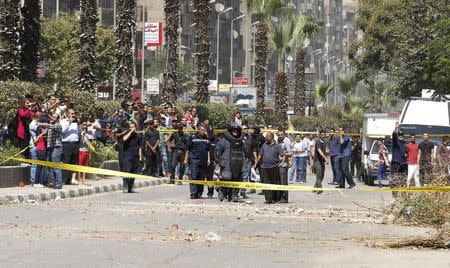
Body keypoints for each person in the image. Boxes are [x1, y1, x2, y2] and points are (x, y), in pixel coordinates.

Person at [253, 132, 286, 204]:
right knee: (265, 183)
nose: (266, 138)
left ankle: (274, 199)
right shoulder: (264, 145)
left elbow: (283, 155)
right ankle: (268, 199)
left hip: (274, 167)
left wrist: (282, 163)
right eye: (266, 136)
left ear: (272, 137)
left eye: (268, 136)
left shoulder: (277, 146)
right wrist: (255, 164)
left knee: (273, 183)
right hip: (264, 167)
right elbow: (260, 156)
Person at [216, 123, 245, 202]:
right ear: (230, 131)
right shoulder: (224, 141)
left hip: (238, 164)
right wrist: (218, 159)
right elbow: (217, 150)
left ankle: (234, 195)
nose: (235, 132)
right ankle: (222, 193)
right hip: (227, 164)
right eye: (233, 130)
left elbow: (244, 152)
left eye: (237, 130)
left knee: (237, 180)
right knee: (226, 179)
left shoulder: (241, 142)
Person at [184, 126, 210, 199]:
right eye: (202, 130)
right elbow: (187, 148)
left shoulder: (206, 138)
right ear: (198, 130)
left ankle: (199, 193)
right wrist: (186, 158)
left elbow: (208, 150)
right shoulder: (192, 137)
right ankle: (193, 193)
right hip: (194, 160)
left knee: (201, 178)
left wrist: (208, 159)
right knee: (194, 176)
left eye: (204, 130)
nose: (204, 131)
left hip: (203, 161)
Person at [60, 109, 81, 185]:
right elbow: (63, 131)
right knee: (66, 161)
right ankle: (64, 180)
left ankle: (70, 179)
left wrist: (78, 124)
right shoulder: (63, 121)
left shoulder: (76, 123)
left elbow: (79, 132)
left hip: (75, 143)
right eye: (72, 113)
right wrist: (69, 122)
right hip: (67, 144)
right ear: (67, 114)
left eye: (74, 113)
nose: (73, 115)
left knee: (73, 161)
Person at [44, 113, 63, 189]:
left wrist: (41, 124)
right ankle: (53, 182)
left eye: (54, 117)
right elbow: (45, 132)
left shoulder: (58, 125)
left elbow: (52, 127)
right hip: (50, 147)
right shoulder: (50, 125)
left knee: (56, 166)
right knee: (50, 166)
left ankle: (58, 184)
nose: (52, 118)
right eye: (52, 116)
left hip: (56, 147)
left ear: (57, 119)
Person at [122, 121, 142, 193]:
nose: (131, 128)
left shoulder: (138, 136)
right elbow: (124, 139)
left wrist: (140, 157)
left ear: (136, 127)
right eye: (130, 127)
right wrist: (130, 132)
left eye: (133, 127)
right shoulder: (126, 133)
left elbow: (139, 147)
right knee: (127, 171)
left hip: (135, 156)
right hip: (128, 155)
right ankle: (125, 186)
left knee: (133, 172)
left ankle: (130, 187)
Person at [29, 112, 44, 187]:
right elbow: (36, 138)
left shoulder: (36, 124)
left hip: (37, 146)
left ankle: (36, 180)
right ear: (38, 117)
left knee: (37, 164)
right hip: (34, 146)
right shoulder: (33, 125)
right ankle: (33, 181)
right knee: (35, 164)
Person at [277, 129, 292, 203]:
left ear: (284, 134)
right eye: (278, 135)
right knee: (279, 181)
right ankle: (279, 197)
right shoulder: (277, 141)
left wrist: (284, 154)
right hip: (277, 163)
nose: (280, 136)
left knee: (283, 182)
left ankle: (285, 198)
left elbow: (290, 153)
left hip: (284, 164)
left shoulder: (287, 141)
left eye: (281, 135)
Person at [313, 130, 329, 194]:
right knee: (319, 176)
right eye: (322, 135)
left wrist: (326, 158)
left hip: (322, 161)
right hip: (317, 161)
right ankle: (320, 189)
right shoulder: (318, 141)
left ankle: (315, 188)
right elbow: (319, 150)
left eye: (324, 135)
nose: (323, 136)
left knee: (322, 176)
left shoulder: (323, 142)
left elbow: (325, 152)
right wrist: (325, 158)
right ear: (319, 135)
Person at [78, 121, 92, 185]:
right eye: (83, 125)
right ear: (81, 125)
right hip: (81, 151)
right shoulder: (80, 133)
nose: (85, 126)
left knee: (85, 166)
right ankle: (79, 179)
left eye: (86, 125)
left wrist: (90, 153)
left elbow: (89, 144)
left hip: (87, 151)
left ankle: (84, 179)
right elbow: (80, 142)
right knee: (79, 166)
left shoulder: (88, 134)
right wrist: (83, 134)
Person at [205, 126, 218, 198]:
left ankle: (216, 190)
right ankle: (209, 192)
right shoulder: (204, 139)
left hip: (214, 161)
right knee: (208, 178)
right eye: (209, 133)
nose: (210, 134)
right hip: (205, 161)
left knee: (215, 177)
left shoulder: (217, 140)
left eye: (211, 133)